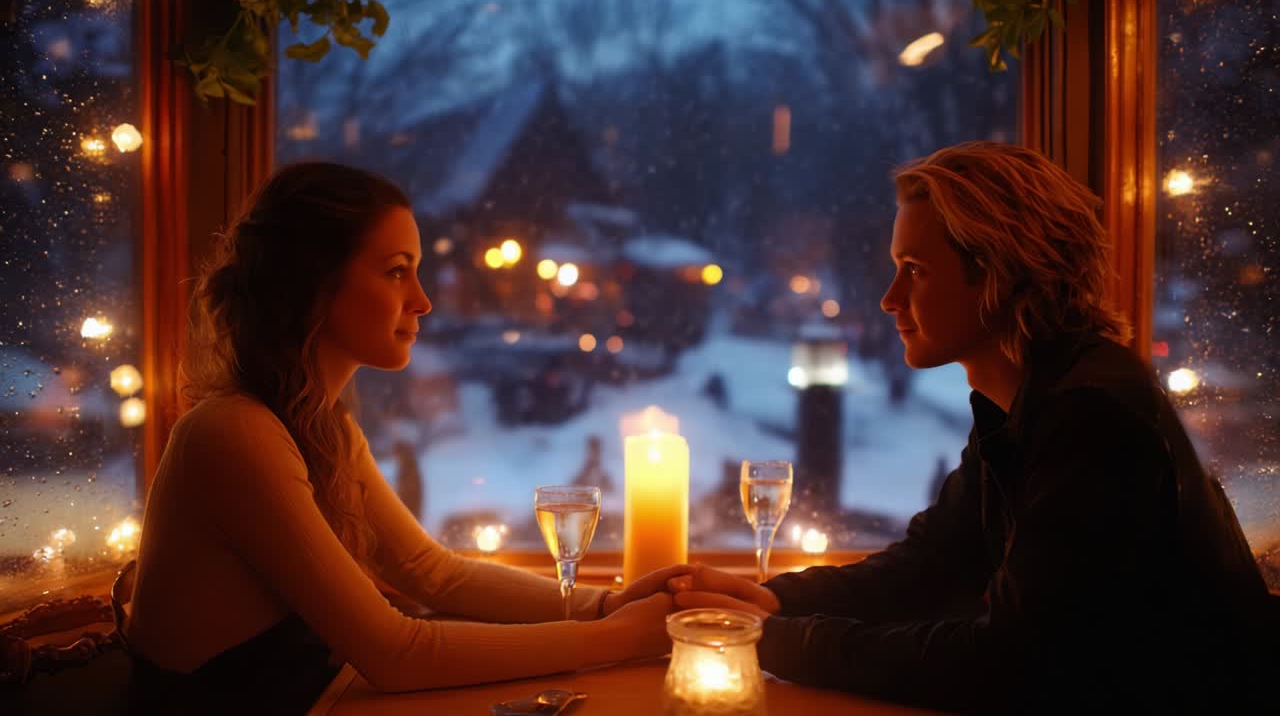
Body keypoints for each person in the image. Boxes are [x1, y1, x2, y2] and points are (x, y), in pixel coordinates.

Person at [668, 142, 1277, 713]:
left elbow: (1007, 663)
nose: (889, 298)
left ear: (999, 274)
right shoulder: (1027, 398)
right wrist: (774, 601)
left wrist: (772, 641)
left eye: (915, 270)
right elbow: (933, 563)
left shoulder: (1093, 417)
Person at [124, 162, 685, 712]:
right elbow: (396, 654)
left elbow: (433, 574)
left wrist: (608, 604)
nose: (423, 300)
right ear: (312, 282)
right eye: (396, 271)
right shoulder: (233, 433)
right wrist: (622, 636)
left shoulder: (321, 428)